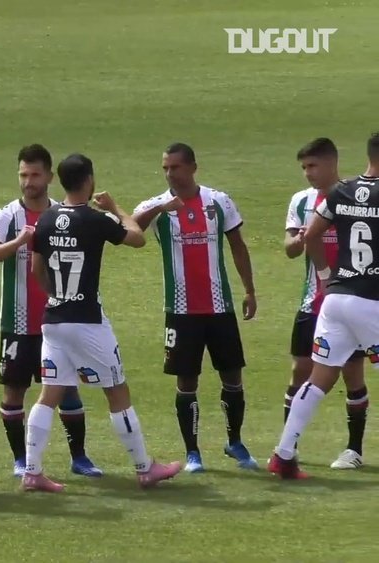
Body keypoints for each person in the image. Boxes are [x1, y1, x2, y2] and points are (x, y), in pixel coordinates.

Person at [22, 154, 182, 492]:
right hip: (87, 321)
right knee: (116, 390)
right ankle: (144, 468)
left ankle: (32, 472)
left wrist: (58, 297)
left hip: (53, 318)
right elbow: (136, 236)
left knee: (49, 393)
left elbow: (36, 270)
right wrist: (116, 207)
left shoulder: (45, 220)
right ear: (89, 180)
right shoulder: (95, 219)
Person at [131, 143, 258, 472]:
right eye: (165, 168)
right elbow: (131, 229)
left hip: (219, 307)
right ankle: (193, 453)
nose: (170, 174)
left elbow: (238, 247)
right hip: (181, 309)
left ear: (192, 167)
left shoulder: (218, 201)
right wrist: (159, 208)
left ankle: (235, 441)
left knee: (232, 375)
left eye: (175, 167)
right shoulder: (156, 205)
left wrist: (249, 290)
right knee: (187, 380)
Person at [0, 144, 101, 478]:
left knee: (67, 388)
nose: (28, 181)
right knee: (14, 391)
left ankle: (79, 458)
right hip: (17, 322)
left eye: (35, 174)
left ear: (50, 176)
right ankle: (21, 460)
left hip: (59, 321)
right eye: (23, 174)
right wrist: (21, 241)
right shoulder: (6, 217)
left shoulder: (63, 215)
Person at [269, 132, 379, 479]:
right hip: (372, 301)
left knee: (318, 380)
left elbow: (310, 234)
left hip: (336, 298)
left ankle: (283, 455)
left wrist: (326, 274)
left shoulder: (339, 191)